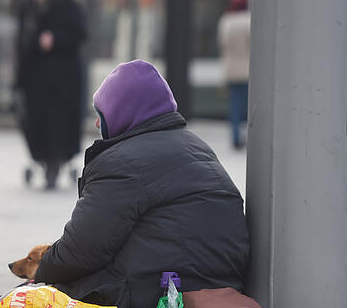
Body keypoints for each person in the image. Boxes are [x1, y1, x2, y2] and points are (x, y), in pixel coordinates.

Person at [32, 60, 250, 308]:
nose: (97, 124)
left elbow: (79, 253)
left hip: (163, 294)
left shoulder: (121, 162)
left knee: (31, 299)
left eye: (101, 115)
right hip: (216, 288)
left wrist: (39, 274)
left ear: (122, 113)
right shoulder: (196, 147)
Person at [16, 0, 87, 189]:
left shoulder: (66, 5)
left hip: (61, 80)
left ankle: (55, 163)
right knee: (34, 121)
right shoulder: (28, 8)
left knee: (58, 123)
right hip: (35, 79)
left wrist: (56, 39)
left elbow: (80, 34)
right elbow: (21, 42)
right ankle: (42, 158)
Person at [218, 0, 251, 149]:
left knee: (235, 107)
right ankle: (247, 136)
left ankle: (235, 137)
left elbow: (222, 44)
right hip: (247, 70)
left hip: (231, 70)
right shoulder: (248, 21)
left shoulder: (225, 21)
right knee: (249, 107)